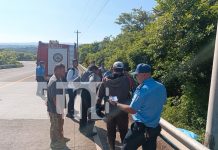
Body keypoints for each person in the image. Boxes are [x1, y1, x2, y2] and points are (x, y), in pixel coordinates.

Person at [109, 63, 167, 150]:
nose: (135, 77)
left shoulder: (142, 89)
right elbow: (163, 102)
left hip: (140, 128)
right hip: (154, 128)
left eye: (136, 75)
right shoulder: (161, 86)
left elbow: (132, 110)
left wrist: (116, 104)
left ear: (144, 74)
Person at [96, 61, 130, 150]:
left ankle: (112, 148)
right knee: (124, 132)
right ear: (122, 70)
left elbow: (99, 96)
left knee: (110, 132)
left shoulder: (105, 80)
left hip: (109, 110)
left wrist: (97, 107)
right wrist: (128, 74)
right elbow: (135, 88)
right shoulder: (127, 80)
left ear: (112, 69)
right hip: (122, 110)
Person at [47, 63, 70, 149]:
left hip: (57, 108)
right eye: (63, 70)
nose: (64, 72)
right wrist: (60, 110)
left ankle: (61, 138)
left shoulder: (58, 78)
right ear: (57, 70)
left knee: (60, 124)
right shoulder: (54, 81)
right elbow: (55, 98)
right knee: (55, 126)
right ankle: (54, 143)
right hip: (55, 109)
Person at [80, 65, 101, 136]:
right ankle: (89, 132)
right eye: (98, 70)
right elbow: (92, 82)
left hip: (83, 92)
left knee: (83, 111)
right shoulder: (93, 75)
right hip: (90, 95)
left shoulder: (84, 73)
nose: (98, 72)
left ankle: (81, 127)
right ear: (94, 69)